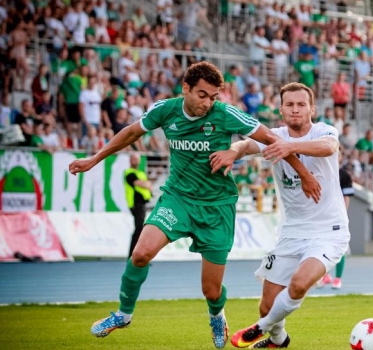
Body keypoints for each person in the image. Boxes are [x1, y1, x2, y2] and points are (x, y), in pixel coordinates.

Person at [68, 62, 320, 349]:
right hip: (178, 199)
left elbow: (275, 140)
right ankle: (123, 314)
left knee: (211, 290)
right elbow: (130, 133)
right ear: (185, 88)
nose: (208, 102)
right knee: (141, 253)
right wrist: (94, 158)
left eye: (213, 96)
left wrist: (304, 173)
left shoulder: (224, 114)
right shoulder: (165, 110)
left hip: (216, 207)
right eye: (202, 95)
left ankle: (216, 314)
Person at [209, 83, 349, 348]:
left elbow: (329, 146)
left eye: (301, 104)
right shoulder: (274, 135)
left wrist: (289, 147)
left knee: (298, 285)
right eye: (290, 105)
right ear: (281, 109)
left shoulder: (324, 131)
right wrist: (232, 152)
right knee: (266, 306)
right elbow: (247, 145)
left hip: (329, 232)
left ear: (312, 108)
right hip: (291, 234)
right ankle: (278, 339)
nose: (295, 110)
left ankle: (259, 329)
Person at [317, 149, 354, 289]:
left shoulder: (344, 175)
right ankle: (325, 276)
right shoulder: (321, 172)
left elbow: (346, 197)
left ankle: (338, 278)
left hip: (337, 217)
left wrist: (342, 214)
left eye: (338, 154)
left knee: (340, 247)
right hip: (321, 216)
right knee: (319, 247)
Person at [124, 153, 152, 258]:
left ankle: (135, 254)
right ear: (130, 160)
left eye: (137, 159)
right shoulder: (129, 173)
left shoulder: (140, 173)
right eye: (133, 159)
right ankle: (133, 255)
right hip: (136, 204)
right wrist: (146, 184)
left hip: (142, 203)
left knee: (139, 229)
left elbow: (147, 185)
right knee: (139, 229)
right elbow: (140, 183)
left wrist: (146, 184)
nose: (135, 161)